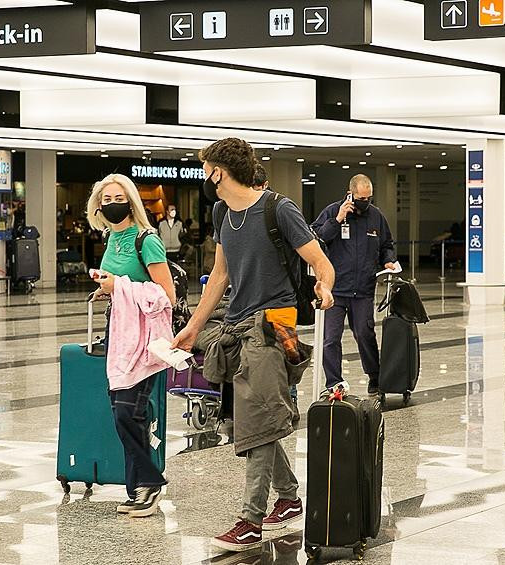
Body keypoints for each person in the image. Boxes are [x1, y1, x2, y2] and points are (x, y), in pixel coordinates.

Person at [172, 137, 335, 553]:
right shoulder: (221, 211)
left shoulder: (279, 209)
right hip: (238, 321)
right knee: (233, 420)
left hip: (277, 324)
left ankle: (250, 520)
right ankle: (289, 495)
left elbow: (321, 262)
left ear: (219, 172)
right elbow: (221, 274)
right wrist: (194, 326)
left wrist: (325, 286)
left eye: (206, 169)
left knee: (258, 420)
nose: (204, 177)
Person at [86, 173, 177, 518]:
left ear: (131, 201)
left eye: (117, 198)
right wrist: (107, 289)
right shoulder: (111, 237)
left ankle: (149, 482)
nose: (112, 204)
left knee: (128, 409)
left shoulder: (146, 239)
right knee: (124, 410)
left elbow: (166, 295)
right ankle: (138, 486)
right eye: (105, 200)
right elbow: (120, 281)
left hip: (145, 337)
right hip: (120, 331)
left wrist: (120, 288)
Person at [311, 174, 397, 392]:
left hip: (363, 288)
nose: (365, 202)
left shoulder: (376, 216)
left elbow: (387, 243)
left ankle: (375, 377)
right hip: (335, 289)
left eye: (368, 198)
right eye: (360, 198)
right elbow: (317, 239)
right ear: (350, 194)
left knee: (365, 334)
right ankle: (333, 382)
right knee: (331, 338)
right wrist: (337, 220)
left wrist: (388, 260)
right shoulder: (332, 211)